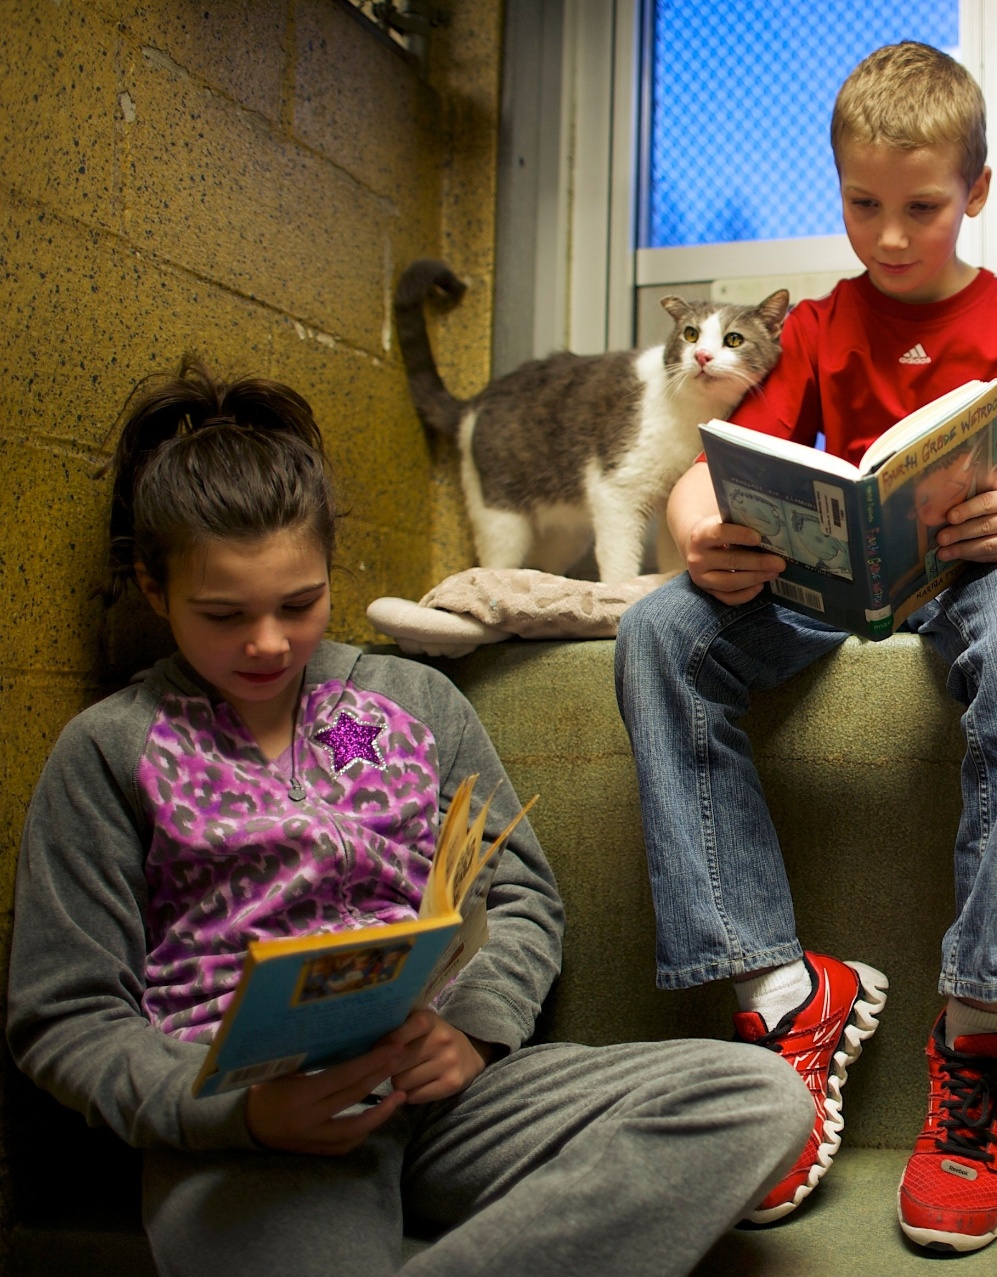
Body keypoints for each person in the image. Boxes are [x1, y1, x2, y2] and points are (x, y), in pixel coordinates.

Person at [6, 359, 814, 1277]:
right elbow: (62, 1015)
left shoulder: (405, 698)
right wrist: (238, 1111)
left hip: (444, 1096)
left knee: (756, 1098)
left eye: (299, 604)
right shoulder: (109, 749)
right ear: (156, 591)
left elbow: (520, 894)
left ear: (329, 568)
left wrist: (471, 1033)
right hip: (250, 1132)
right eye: (224, 615)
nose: (268, 641)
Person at [615, 41, 997, 1255]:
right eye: (863, 206)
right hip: (833, 592)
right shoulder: (821, 324)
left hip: (982, 578)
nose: (890, 235)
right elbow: (704, 478)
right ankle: (784, 994)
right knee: (659, 631)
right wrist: (704, 539)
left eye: (922, 207)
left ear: (977, 192)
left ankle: (978, 1031)